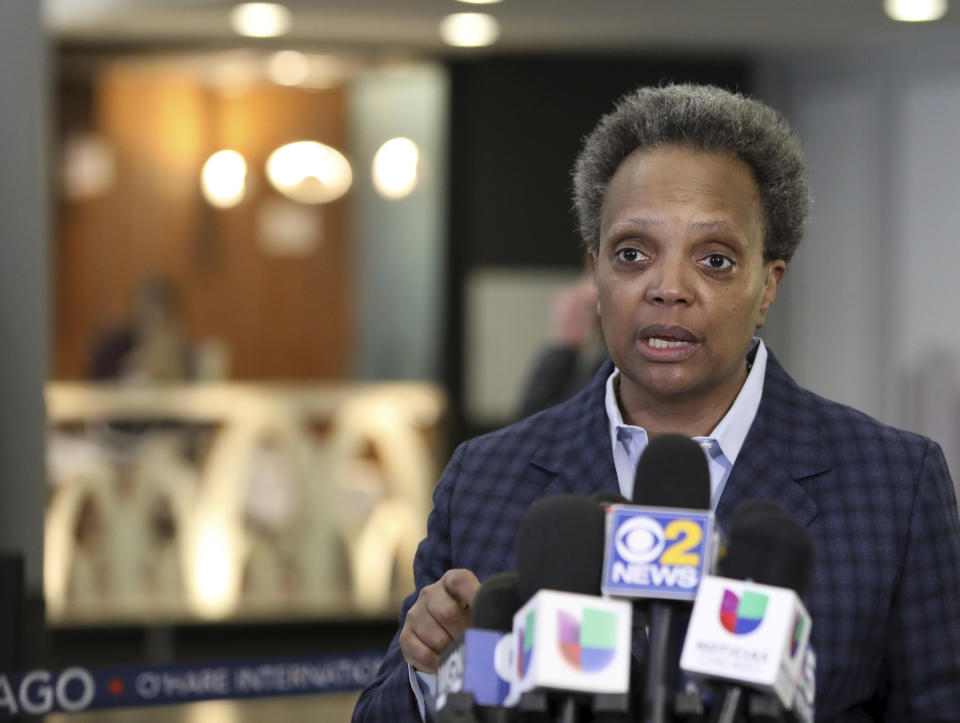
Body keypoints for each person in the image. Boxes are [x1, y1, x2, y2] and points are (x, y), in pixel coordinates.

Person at [352, 84, 960, 721]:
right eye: (633, 253)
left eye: (716, 259)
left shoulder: (894, 484)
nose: (669, 288)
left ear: (767, 287)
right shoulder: (485, 477)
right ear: (596, 275)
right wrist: (428, 672)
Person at [516, 266, 608, 419]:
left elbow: (537, 421)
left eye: (588, 307)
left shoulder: (610, 366)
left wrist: (564, 342)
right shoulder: (595, 361)